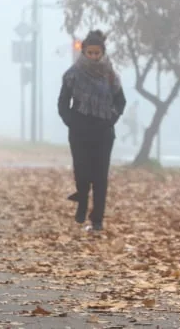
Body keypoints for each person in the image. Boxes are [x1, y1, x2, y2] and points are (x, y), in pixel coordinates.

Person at [57, 30, 126, 233]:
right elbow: (63, 103)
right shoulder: (72, 75)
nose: (94, 57)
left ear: (102, 52)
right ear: (84, 52)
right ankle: (82, 202)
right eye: (90, 53)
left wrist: (110, 119)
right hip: (79, 130)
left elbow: (120, 101)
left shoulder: (111, 75)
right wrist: (71, 121)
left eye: (97, 53)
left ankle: (97, 220)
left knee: (100, 177)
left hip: (103, 132)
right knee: (82, 171)